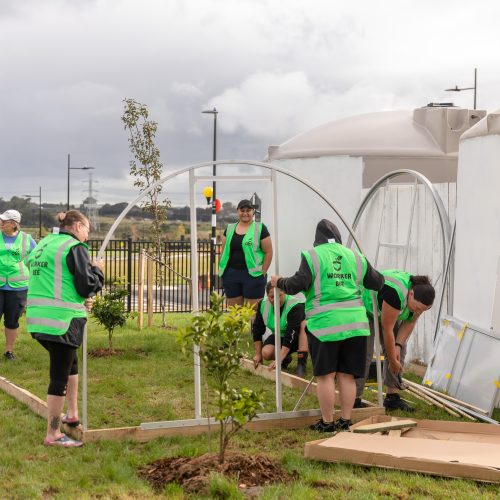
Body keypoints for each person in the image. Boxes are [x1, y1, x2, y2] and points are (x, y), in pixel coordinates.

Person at [271, 219, 383, 433]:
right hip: (356, 325)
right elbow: (377, 282)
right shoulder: (355, 256)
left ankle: (327, 421)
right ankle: (346, 420)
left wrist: (279, 282)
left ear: (317, 240)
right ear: (339, 239)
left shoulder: (313, 256)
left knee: (326, 376)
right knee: (347, 376)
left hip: (325, 326)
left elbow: (297, 284)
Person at [27, 210, 104, 447]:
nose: (88, 235)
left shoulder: (46, 242)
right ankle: (53, 434)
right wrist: (98, 270)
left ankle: (71, 414)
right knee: (58, 376)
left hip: (38, 319)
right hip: (63, 321)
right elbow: (86, 284)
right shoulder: (75, 247)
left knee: (71, 365)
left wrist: (81, 296)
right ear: (78, 226)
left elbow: (53, 277)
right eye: (88, 229)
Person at [355, 270, 435, 412]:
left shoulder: (420, 300)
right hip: (366, 308)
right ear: (410, 294)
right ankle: (354, 399)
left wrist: (397, 346)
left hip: (387, 313)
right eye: (417, 308)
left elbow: (409, 322)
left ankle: (392, 397)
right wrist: (392, 360)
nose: (418, 311)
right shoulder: (395, 293)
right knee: (364, 353)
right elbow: (387, 329)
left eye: (422, 310)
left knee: (401, 348)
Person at [218, 199, 273, 307]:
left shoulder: (260, 228)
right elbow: (223, 251)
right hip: (231, 275)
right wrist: (223, 270)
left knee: (253, 313)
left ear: (253, 211)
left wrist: (264, 271)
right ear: (237, 211)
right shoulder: (229, 229)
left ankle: (253, 325)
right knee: (234, 314)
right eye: (242, 210)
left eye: (248, 210)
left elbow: (268, 252)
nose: (245, 213)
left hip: (254, 276)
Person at [0, 209, 36, 360]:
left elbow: (36, 260)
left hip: (19, 288)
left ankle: (9, 351)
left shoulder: (27, 240)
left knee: (12, 321)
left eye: (4, 221)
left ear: (14, 224)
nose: (1, 223)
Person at [252, 281, 309, 377]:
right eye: (272, 296)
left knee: (304, 324)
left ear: (285, 293)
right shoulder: (263, 304)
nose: (276, 299)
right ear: (267, 295)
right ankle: (285, 359)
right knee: (266, 353)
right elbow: (257, 329)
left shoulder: (295, 306)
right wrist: (258, 355)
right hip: (279, 336)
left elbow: (290, 334)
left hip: (296, 337)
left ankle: (301, 364)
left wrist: (279, 359)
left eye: (280, 295)